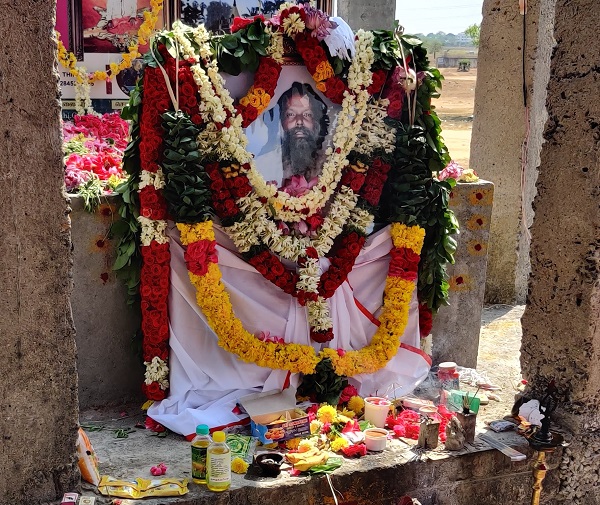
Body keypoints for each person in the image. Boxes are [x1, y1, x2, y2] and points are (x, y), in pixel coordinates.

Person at [277, 82, 329, 183]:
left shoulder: (331, 164)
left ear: (316, 121)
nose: (299, 121)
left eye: (307, 114)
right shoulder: (267, 164)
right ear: (282, 121)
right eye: (291, 114)